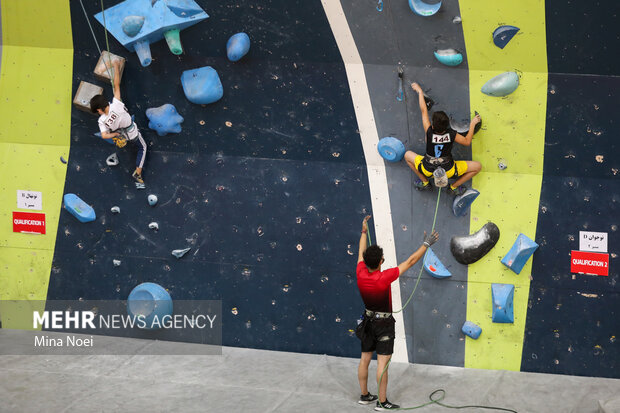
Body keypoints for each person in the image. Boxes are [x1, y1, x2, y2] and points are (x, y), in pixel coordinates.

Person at [355, 215, 439, 411]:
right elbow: (410, 261)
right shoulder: (384, 278)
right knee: (383, 363)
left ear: (366, 261)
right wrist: (426, 244)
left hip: (367, 320)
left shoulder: (360, 271)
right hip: (383, 325)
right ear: (381, 260)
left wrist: (364, 231)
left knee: (365, 358)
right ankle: (382, 402)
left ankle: (364, 395)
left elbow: (360, 252)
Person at [404, 82, 481, 196]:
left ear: (433, 125)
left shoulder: (429, 131)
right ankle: (453, 187)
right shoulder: (452, 134)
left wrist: (420, 91)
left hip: (427, 169)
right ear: (447, 125)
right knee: (477, 167)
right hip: (448, 172)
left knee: (407, 155)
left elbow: (424, 110)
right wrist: (473, 124)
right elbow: (467, 141)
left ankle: (425, 182)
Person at [90, 60, 147, 184]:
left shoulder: (101, 120)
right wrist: (116, 66)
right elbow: (116, 85)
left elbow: (104, 135)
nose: (98, 113)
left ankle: (137, 173)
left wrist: (115, 134)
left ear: (99, 109)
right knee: (143, 148)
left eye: (97, 111)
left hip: (121, 135)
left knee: (127, 137)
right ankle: (138, 173)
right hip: (132, 133)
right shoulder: (116, 104)